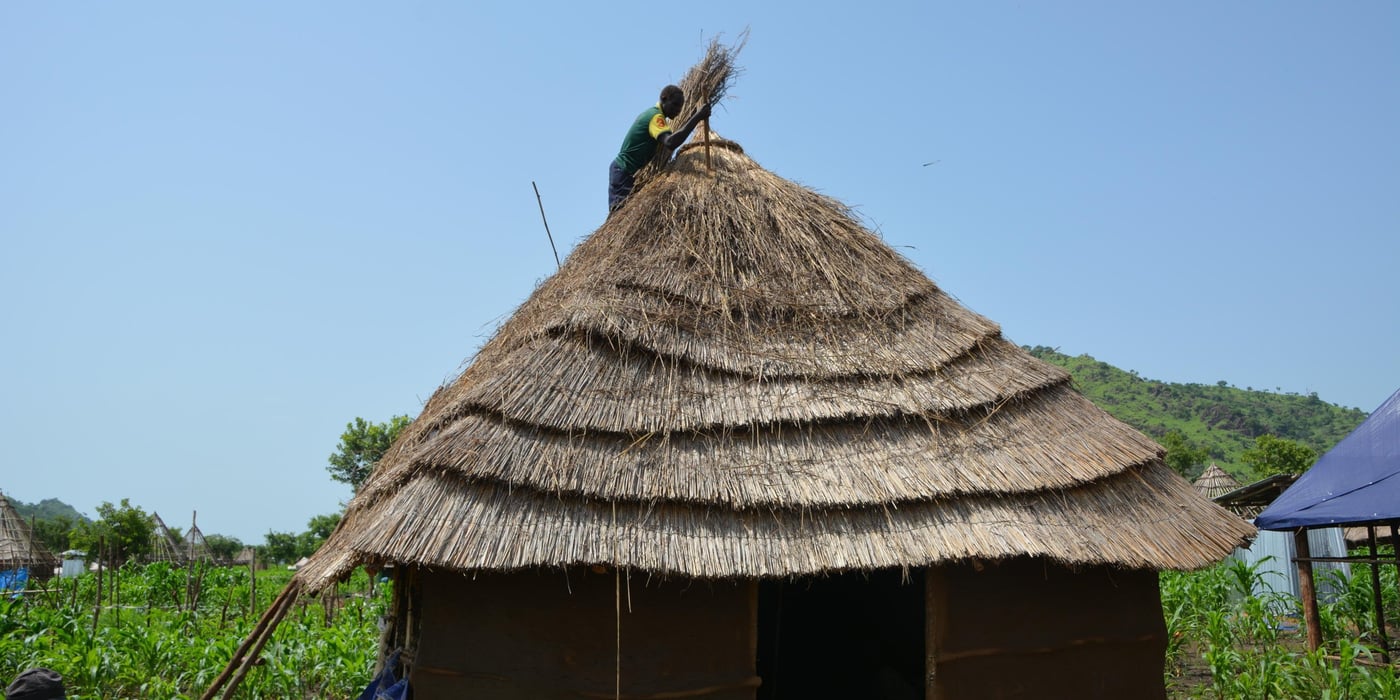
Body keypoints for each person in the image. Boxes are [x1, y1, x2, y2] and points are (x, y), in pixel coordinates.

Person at [608, 84, 712, 212]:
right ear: (664, 99)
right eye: (675, 105)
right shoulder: (656, 117)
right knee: (619, 214)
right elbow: (670, 142)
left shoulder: (654, 114)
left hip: (626, 172)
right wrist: (697, 117)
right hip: (623, 170)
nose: (678, 110)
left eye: (680, 107)